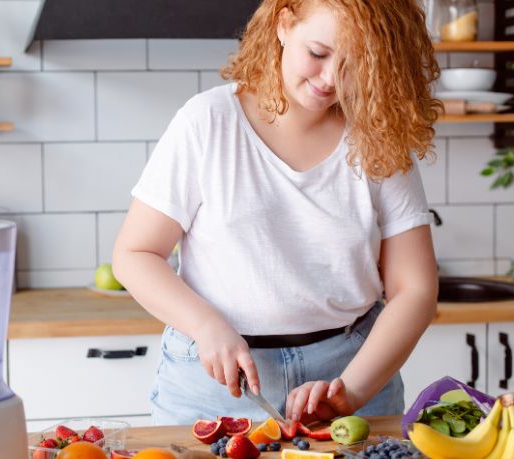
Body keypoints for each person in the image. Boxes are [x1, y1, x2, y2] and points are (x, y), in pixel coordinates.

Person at [112, 0, 440, 426]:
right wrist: (207, 326)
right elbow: (134, 254)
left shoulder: (377, 136)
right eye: (319, 53)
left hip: (351, 369)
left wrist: (351, 390)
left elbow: (415, 289)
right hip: (215, 378)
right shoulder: (207, 122)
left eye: (356, 63)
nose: (330, 79)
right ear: (285, 24)